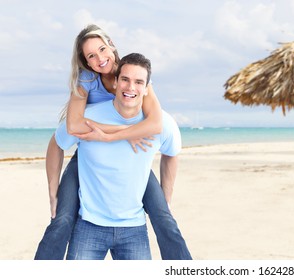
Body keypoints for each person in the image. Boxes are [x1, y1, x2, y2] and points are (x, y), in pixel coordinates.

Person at [34, 24, 191, 260]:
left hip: (132, 160)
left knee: (165, 219)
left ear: (112, 46)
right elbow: (74, 127)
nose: (100, 58)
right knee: (62, 219)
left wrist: (116, 135)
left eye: (102, 49)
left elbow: (157, 126)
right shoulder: (86, 79)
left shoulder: (135, 74)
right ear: (86, 63)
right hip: (88, 152)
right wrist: (123, 132)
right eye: (91, 56)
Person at [56, 53, 177, 259]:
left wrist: (164, 201)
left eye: (139, 82)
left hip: (134, 229)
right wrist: (53, 192)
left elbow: (172, 154)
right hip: (89, 226)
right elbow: (58, 143)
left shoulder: (163, 123)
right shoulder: (88, 118)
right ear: (116, 82)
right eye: (125, 80)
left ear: (147, 88)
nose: (131, 88)